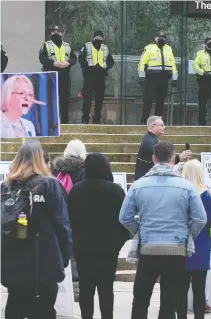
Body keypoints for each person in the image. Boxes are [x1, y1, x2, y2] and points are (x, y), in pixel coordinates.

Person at [119, 141, 207, 318]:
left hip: (148, 248)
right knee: (169, 302)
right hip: (176, 250)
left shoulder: (138, 185)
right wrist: (187, 234)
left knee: (141, 300)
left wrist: (139, 231)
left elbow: (124, 217)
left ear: (153, 159)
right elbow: (200, 219)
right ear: (173, 160)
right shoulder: (187, 187)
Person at [1, 140, 72, 319]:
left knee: (15, 306)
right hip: (43, 259)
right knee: (43, 310)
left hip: (13, 259)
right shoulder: (49, 185)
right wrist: (63, 257)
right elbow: (62, 225)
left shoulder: (5, 187)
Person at [67, 153, 129, 319]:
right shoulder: (116, 191)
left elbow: (69, 220)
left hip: (83, 249)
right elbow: (124, 221)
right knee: (106, 289)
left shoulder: (76, 190)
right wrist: (118, 243)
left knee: (86, 288)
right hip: (108, 250)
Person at [171, 159, 211, 319]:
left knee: (181, 288)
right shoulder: (207, 195)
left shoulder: (177, 192)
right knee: (199, 288)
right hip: (201, 245)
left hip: (180, 244)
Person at [39, 26, 77, 124]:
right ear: (51, 33)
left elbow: (73, 58)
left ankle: (65, 121)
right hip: (51, 74)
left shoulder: (67, 45)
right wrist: (54, 63)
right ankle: (51, 121)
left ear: (61, 34)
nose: (56, 33)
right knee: (50, 98)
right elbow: (42, 58)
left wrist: (68, 63)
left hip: (64, 74)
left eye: (58, 32)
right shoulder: (46, 45)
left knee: (64, 98)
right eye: (54, 31)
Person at [138, 31, 178, 124]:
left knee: (161, 101)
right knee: (148, 100)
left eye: (163, 37)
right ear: (154, 38)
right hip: (152, 77)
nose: (161, 39)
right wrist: (141, 76)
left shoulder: (168, 48)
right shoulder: (149, 48)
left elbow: (173, 64)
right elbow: (142, 62)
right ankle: (144, 120)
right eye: (159, 37)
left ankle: (157, 122)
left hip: (164, 77)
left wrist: (174, 77)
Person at [134, 116, 191, 180]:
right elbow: (164, 161)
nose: (164, 127)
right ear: (153, 126)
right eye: (161, 125)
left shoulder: (149, 139)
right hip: (149, 181)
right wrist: (180, 157)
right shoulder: (151, 142)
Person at [79, 30, 115, 124]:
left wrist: (105, 67)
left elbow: (110, 61)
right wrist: (86, 67)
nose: (99, 39)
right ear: (93, 37)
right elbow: (81, 58)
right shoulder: (87, 46)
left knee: (99, 99)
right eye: (97, 38)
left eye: (100, 38)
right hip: (89, 75)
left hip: (101, 75)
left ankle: (96, 119)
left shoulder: (105, 48)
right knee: (87, 98)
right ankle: (85, 119)